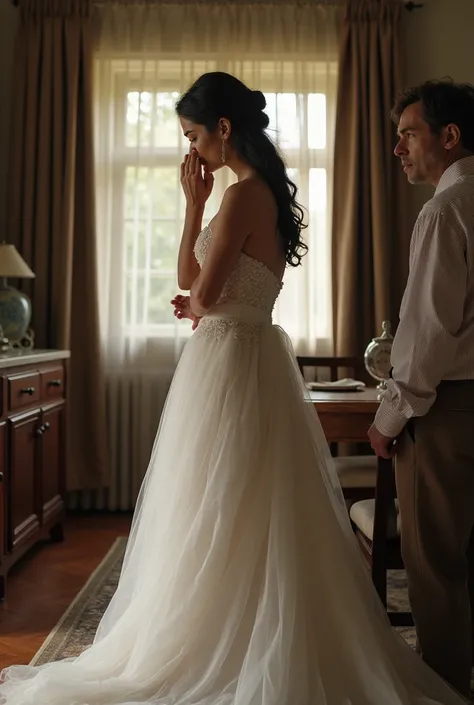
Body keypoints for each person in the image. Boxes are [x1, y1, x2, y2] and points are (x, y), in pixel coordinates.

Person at [0, 72, 468, 705]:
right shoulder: (246, 193)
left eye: (193, 134)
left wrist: (196, 300)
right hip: (240, 353)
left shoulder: (247, 196)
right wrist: (193, 211)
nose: (190, 149)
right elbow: (197, 285)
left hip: (229, 358)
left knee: (223, 499)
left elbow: (202, 294)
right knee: (227, 500)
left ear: (222, 129)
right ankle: (237, 623)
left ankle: (227, 636)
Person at [368, 79, 474, 698]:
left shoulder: (445, 210)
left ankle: (445, 693)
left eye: (408, 133)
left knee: (435, 566)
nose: (399, 148)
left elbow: (427, 336)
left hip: (448, 412)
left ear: (448, 136)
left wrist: (387, 422)